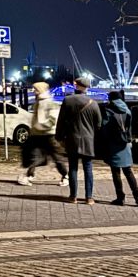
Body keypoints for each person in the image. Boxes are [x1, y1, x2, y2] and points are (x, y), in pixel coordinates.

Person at [55, 76, 102, 204]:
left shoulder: (68, 100)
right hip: (88, 140)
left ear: (77, 85)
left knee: (73, 168)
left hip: (72, 139)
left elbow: (61, 121)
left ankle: (73, 196)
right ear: (86, 87)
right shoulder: (93, 103)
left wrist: (58, 136)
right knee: (88, 168)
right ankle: (89, 197)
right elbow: (98, 124)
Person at [15, 81, 68, 187]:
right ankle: (29, 175)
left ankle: (66, 176)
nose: (34, 91)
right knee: (35, 156)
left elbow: (53, 118)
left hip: (48, 134)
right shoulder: (38, 101)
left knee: (55, 156)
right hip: (38, 134)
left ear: (40, 90)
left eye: (35, 89)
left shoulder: (48, 102)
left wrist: (41, 126)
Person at [99, 91, 138, 207]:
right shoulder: (127, 110)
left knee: (116, 172)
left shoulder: (109, 111)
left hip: (113, 144)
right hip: (125, 144)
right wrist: (128, 139)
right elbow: (129, 127)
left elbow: (104, 128)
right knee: (128, 171)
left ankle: (120, 197)